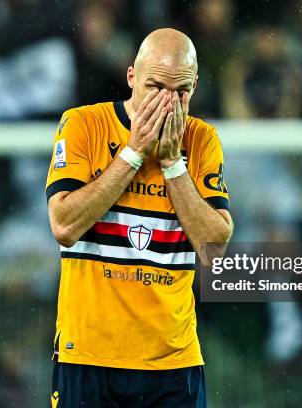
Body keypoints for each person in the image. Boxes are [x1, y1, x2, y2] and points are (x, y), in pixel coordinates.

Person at [45, 28, 233, 407]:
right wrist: (133, 154)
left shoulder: (201, 140)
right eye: (155, 86)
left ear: (194, 87)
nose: (167, 102)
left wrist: (172, 163)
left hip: (173, 362)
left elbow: (214, 251)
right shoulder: (84, 124)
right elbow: (64, 226)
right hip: (88, 355)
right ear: (131, 77)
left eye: (181, 91)